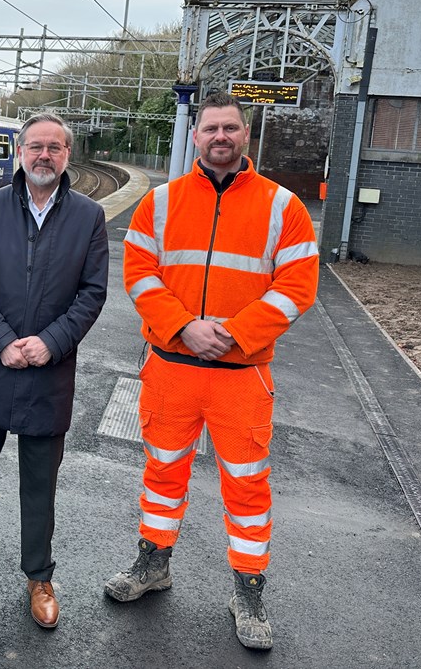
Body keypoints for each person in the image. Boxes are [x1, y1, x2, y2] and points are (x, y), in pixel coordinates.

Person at [106, 91, 318, 651]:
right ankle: (154, 564)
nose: (220, 136)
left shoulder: (283, 207)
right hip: (171, 366)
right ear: (195, 136)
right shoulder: (161, 202)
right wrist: (184, 328)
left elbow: (298, 287)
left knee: (248, 487)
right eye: (210, 129)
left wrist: (230, 334)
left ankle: (248, 590)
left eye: (230, 127)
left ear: (246, 135)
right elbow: (139, 272)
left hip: (241, 374)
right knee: (161, 474)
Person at [0, 113, 108, 630]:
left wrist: (50, 343)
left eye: (54, 147)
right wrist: (3, 341)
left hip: (49, 372)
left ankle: (39, 576)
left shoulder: (87, 216)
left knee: (39, 484)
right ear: (20, 152)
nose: (44, 155)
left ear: (67, 155)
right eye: (35, 146)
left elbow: (92, 293)